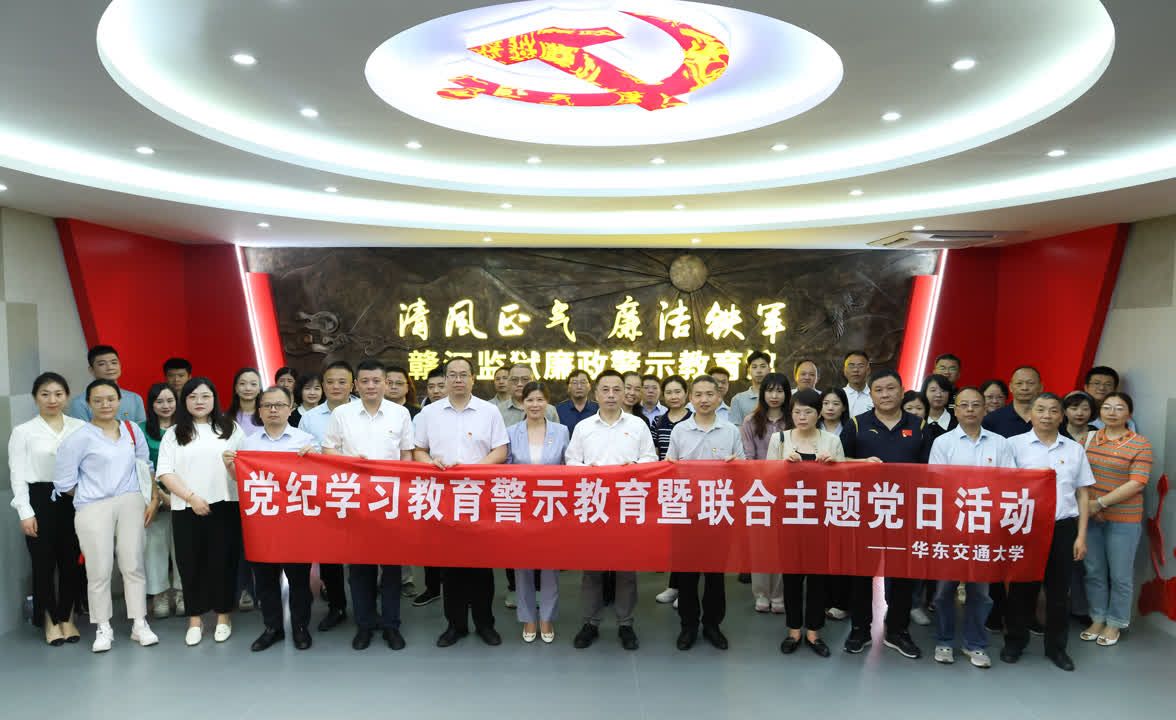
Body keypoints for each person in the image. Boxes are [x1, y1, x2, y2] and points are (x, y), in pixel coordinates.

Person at [54, 379, 158, 652]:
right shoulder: (78, 438)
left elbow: (145, 466)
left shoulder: (132, 430)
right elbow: (64, 482)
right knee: (99, 569)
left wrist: (152, 498)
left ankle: (139, 623)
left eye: (110, 399)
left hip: (131, 501)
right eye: (98, 400)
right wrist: (91, 494)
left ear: (119, 401)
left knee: (133, 563)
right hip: (92, 506)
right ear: (88, 404)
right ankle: (103, 627)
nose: (105, 404)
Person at [414, 357, 509, 648]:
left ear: (473, 378)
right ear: (445, 379)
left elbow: (501, 450)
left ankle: (484, 623)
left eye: (463, 374)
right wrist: (430, 463)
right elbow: (418, 449)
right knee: (450, 567)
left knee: (481, 566)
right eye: (452, 375)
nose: (457, 380)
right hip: (443, 497)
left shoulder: (489, 411)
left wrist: (475, 470)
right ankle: (455, 625)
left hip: (478, 496)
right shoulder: (429, 413)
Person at [322, 360, 415, 652]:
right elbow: (328, 450)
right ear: (356, 385)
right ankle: (364, 625)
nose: (371, 386)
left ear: (386, 383)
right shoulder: (342, 414)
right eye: (365, 381)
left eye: (376, 381)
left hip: (390, 501)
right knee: (360, 569)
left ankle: (391, 625)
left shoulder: (400, 414)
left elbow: (407, 456)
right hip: (354, 500)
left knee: (391, 568)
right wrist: (348, 462)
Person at [843, 369, 933, 660]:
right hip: (864, 512)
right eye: (878, 390)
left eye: (891, 388)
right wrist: (860, 463)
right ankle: (860, 629)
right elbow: (838, 463)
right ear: (871, 395)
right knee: (861, 574)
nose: (885, 394)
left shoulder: (919, 426)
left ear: (902, 391)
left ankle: (897, 630)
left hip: (906, 513)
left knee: (903, 574)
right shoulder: (857, 424)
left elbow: (931, 470)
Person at [567, 369, 658, 651]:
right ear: (596, 394)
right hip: (593, 505)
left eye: (617, 389)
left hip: (627, 505)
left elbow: (651, 459)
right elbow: (571, 462)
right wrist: (588, 470)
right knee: (592, 569)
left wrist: (635, 468)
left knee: (625, 570)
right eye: (605, 390)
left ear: (626, 393)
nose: (611, 395)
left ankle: (625, 624)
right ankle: (590, 622)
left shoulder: (638, 425)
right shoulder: (584, 427)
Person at [1003, 393, 1094, 672]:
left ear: (1061, 416)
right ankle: (1014, 642)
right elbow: (1002, 488)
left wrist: (1081, 536)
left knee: (1058, 592)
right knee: (1021, 589)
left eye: (1053, 410)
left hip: (1063, 527)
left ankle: (1057, 649)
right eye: (1040, 410)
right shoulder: (1013, 445)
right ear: (1030, 414)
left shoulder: (1074, 449)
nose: (1046, 415)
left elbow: (1083, 494)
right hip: (1025, 526)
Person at [224, 386, 317, 651]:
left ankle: (300, 627)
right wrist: (229, 465)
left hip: (296, 523)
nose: (273, 410)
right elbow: (239, 479)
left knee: (299, 580)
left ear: (290, 408)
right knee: (265, 580)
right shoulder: (248, 443)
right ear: (260, 410)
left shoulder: (306, 441)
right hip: (261, 524)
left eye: (279, 405)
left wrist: (314, 459)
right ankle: (272, 627)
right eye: (267, 405)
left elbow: (319, 480)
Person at [928, 387, 1015, 669]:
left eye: (976, 405)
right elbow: (937, 484)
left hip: (987, 527)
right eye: (964, 405)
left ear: (984, 409)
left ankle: (975, 644)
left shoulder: (1000, 443)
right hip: (952, 527)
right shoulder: (943, 443)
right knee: (944, 590)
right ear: (955, 410)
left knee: (981, 592)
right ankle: (944, 640)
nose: (970, 410)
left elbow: (1009, 483)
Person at [156, 377, 246, 646]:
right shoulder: (174, 433)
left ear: (214, 399)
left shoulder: (230, 428)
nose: (199, 402)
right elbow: (165, 472)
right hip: (186, 506)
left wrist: (232, 467)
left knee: (223, 562)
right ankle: (195, 620)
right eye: (192, 397)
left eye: (205, 396)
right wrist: (191, 497)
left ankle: (223, 617)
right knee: (189, 563)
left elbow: (245, 469)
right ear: (184, 401)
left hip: (225, 505)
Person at [667, 374, 744, 651]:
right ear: (690, 398)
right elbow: (669, 467)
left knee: (715, 574)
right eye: (698, 394)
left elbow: (743, 469)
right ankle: (688, 626)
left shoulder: (730, 431)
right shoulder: (680, 431)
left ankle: (712, 625)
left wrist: (735, 465)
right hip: (686, 512)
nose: (704, 400)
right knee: (687, 574)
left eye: (709, 394)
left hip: (718, 511)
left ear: (719, 397)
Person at [767, 389, 846, 658]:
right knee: (791, 576)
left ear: (819, 413)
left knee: (817, 578)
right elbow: (766, 479)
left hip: (821, 519)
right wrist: (782, 466)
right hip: (789, 517)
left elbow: (844, 482)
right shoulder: (780, 439)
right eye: (797, 412)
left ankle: (814, 631)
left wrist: (832, 467)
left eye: (808, 411)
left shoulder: (832, 441)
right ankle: (793, 630)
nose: (802, 417)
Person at [9, 372, 86, 645]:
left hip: (74, 499)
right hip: (39, 499)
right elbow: (17, 475)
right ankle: (49, 619)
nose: (52, 399)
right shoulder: (23, 431)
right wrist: (25, 512)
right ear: (35, 398)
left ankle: (68, 616)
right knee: (43, 563)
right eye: (45, 394)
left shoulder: (80, 427)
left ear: (67, 397)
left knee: (71, 561)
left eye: (58, 394)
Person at [1081, 391, 1152, 647]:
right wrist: (1091, 507)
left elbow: (1137, 483)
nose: (1112, 412)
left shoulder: (1140, 444)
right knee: (1093, 571)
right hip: (1090, 516)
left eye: (1119, 408)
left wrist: (1100, 503)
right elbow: (1080, 476)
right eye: (1107, 407)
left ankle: (1116, 622)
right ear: (1099, 412)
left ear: (1129, 413)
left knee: (1120, 575)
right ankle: (1098, 618)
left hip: (1124, 519)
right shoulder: (1088, 439)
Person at [505, 381, 570, 644]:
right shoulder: (511, 432)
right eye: (530, 400)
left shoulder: (561, 431)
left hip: (552, 506)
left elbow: (568, 468)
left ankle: (547, 618)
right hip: (521, 507)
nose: (535, 405)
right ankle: (528, 617)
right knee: (522, 566)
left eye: (540, 400)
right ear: (522, 403)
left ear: (547, 403)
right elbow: (505, 469)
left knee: (550, 566)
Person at [297, 360, 355, 630]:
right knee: (330, 554)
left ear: (352, 385)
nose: (336, 387)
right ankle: (337, 606)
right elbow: (302, 454)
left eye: (342, 382)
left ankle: (366, 608)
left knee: (365, 554)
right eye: (330, 382)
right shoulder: (310, 418)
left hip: (362, 492)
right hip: (325, 493)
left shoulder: (362, 410)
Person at [739, 372, 791, 613]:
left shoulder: (793, 420)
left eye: (779, 391)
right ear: (762, 393)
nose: (774, 395)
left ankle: (778, 594)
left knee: (782, 546)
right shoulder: (751, 421)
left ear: (786, 394)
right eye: (770, 390)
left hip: (788, 492)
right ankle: (761, 593)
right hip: (759, 490)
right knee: (760, 545)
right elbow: (748, 457)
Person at [141, 383, 183, 619]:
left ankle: (182, 593)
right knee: (154, 549)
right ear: (151, 404)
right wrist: (159, 494)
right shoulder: (140, 430)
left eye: (170, 400)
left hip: (184, 496)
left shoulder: (187, 427)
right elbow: (140, 467)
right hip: (152, 499)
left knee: (182, 549)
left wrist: (175, 495)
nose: (165, 406)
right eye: (159, 401)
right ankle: (159, 595)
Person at [651, 375, 693, 606]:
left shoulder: (693, 419)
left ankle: (686, 589)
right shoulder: (658, 421)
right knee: (674, 540)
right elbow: (655, 452)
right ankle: (674, 586)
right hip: (667, 486)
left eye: (678, 391)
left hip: (692, 486)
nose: (674, 396)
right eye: (669, 392)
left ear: (686, 394)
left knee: (689, 540)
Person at [817, 387, 856, 621]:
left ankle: (841, 602)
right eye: (826, 403)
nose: (830, 408)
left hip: (844, 496)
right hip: (815, 497)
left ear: (843, 407)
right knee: (820, 552)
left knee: (841, 551)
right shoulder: (811, 428)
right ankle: (822, 600)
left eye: (835, 403)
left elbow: (855, 461)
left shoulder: (852, 429)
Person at [67, 345, 146, 423]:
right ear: (91, 370)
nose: (110, 367)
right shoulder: (80, 403)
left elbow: (141, 429)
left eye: (114, 362)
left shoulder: (134, 398)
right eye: (102, 364)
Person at [982, 366, 1041, 439]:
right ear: (1010, 387)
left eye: (1030, 383)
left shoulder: (1049, 418)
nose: (1024, 388)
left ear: (1040, 387)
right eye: (1019, 383)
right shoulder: (991, 420)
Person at [500, 362, 560, 427]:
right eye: (514, 380)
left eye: (525, 379)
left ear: (533, 381)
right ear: (508, 382)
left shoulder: (549, 410)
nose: (519, 384)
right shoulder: (499, 410)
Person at [1084, 366, 1137, 431]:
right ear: (1086, 387)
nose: (1101, 388)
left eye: (1108, 384)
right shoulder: (1076, 413)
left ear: (1115, 389)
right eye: (1096, 383)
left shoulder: (1124, 420)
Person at [728, 350, 771, 426]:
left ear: (769, 369)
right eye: (754, 367)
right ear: (748, 371)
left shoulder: (777, 396)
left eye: (763, 366)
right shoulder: (738, 400)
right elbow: (735, 429)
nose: (759, 371)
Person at [555, 370, 599, 435]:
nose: (579, 386)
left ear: (589, 386)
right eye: (574, 383)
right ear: (568, 387)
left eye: (583, 382)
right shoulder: (558, 410)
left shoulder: (598, 409)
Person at [226, 367, 264, 438]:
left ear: (259, 389)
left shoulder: (268, 415)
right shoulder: (225, 418)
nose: (248, 388)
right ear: (236, 388)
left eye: (253, 384)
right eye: (242, 383)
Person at [841, 350, 873, 417]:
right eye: (851, 366)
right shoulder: (839, 396)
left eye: (860, 366)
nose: (855, 370)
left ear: (868, 370)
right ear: (844, 371)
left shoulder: (875, 396)